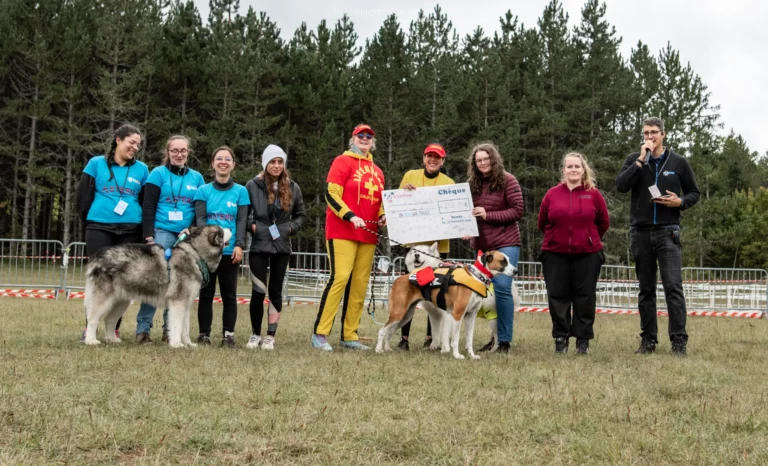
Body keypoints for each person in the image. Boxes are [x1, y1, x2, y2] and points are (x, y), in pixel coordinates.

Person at [616, 116, 700, 356]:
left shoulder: (678, 162)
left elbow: (694, 193)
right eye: (646, 133)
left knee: (673, 287)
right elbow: (621, 186)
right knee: (646, 289)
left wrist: (680, 202)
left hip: (668, 231)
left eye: (654, 132)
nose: (650, 136)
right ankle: (648, 340)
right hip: (641, 232)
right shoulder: (634, 159)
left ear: (663, 134)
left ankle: (679, 341)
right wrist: (640, 161)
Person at [311, 123, 385, 351]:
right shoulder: (342, 162)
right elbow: (331, 194)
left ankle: (349, 335)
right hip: (342, 230)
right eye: (360, 135)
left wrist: (383, 216)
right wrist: (350, 215)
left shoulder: (377, 171)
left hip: (368, 234)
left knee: (359, 285)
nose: (365, 138)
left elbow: (380, 201)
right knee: (340, 277)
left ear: (373, 142)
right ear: (353, 139)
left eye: (369, 136)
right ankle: (320, 333)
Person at [76, 124, 149, 340]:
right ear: (118, 140)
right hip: (99, 227)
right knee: (100, 280)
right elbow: (82, 197)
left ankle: (113, 328)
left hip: (130, 230)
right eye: (132, 142)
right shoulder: (96, 164)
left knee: (124, 282)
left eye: (138, 145)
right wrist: (90, 221)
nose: (135, 147)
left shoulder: (142, 169)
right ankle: (90, 328)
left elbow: (145, 202)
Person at [135, 135, 205, 344]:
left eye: (183, 150)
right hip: (162, 231)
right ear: (168, 152)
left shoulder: (197, 178)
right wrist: (148, 236)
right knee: (155, 279)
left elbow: (200, 209)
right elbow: (148, 206)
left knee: (178, 283)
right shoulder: (157, 174)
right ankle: (143, 329)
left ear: (188, 152)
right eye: (174, 150)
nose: (179, 154)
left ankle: (170, 330)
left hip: (185, 236)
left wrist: (191, 229)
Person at [538, 152, 609, 355]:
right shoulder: (552, 194)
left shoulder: (593, 194)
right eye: (569, 166)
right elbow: (542, 222)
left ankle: (582, 340)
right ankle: (561, 338)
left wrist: (588, 238)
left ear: (583, 169)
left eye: (577, 166)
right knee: (557, 297)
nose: (573, 170)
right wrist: (556, 238)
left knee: (585, 297)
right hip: (555, 254)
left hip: (587, 254)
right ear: (564, 170)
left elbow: (603, 222)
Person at [244, 145, 305, 350]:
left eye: (280, 162)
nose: (276, 166)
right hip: (259, 245)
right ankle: (255, 334)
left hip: (282, 246)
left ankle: (270, 335)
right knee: (258, 291)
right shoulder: (252, 185)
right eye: (272, 162)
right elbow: (243, 213)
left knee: (276, 291)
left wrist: (290, 228)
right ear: (265, 164)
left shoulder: (293, 187)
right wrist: (252, 227)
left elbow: (300, 215)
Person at [396, 142, 455, 351]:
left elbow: (453, 212)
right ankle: (404, 338)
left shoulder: (449, 182)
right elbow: (397, 204)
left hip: (438, 248)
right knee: (410, 291)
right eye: (429, 156)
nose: (432, 160)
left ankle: (432, 338)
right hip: (414, 247)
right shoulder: (410, 176)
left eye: (437, 157)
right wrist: (405, 194)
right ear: (423, 158)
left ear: (443, 161)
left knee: (435, 294)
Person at [467, 142, 523, 353]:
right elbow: (466, 212)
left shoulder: (508, 180)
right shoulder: (471, 184)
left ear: (494, 159)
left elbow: (517, 210)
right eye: (478, 160)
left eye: (486, 159)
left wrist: (488, 215)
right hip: (482, 246)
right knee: (484, 293)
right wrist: (466, 228)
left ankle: (504, 341)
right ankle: (494, 338)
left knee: (501, 288)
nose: (482, 163)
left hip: (506, 242)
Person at [193, 146, 250, 348]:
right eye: (219, 159)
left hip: (230, 252)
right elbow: (201, 221)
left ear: (233, 164)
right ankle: (204, 335)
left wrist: (240, 245)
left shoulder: (241, 192)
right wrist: (206, 246)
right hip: (208, 253)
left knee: (229, 296)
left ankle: (228, 336)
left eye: (227, 159)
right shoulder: (203, 191)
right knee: (206, 295)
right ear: (213, 163)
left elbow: (242, 221)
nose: (223, 162)